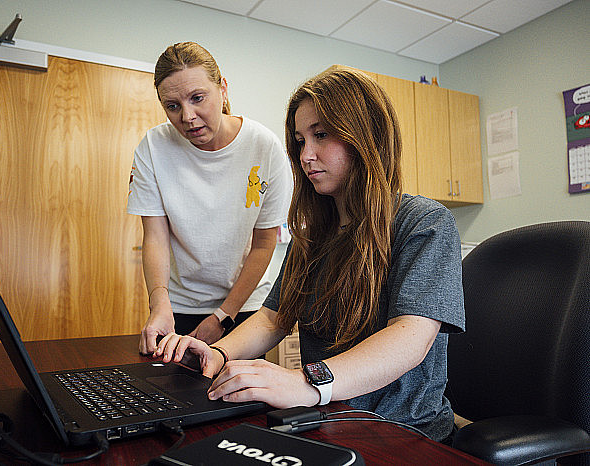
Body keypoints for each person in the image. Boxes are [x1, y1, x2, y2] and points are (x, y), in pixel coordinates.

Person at [153, 66, 466, 443]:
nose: (306, 155)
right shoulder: (315, 237)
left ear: (365, 136)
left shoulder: (424, 223)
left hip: (402, 433)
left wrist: (306, 383)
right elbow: (273, 318)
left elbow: (410, 338)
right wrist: (216, 352)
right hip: (329, 420)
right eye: (300, 141)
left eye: (321, 136)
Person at [127, 42, 292, 355]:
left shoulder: (264, 148)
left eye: (197, 98)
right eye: (172, 106)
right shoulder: (154, 146)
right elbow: (156, 237)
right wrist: (159, 304)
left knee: (236, 394)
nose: (187, 116)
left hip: (245, 304)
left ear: (223, 89)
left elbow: (264, 244)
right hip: (179, 304)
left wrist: (223, 315)